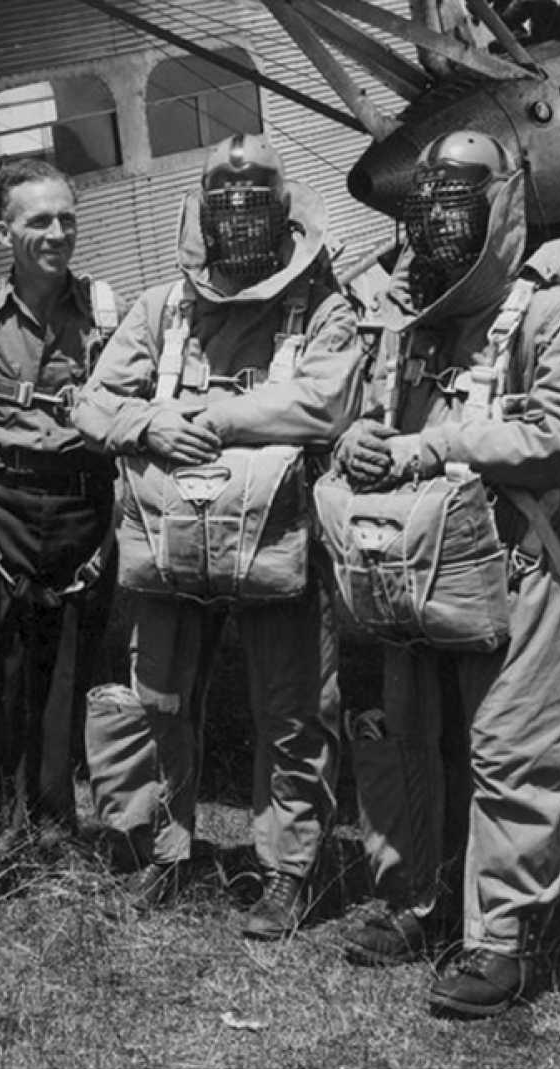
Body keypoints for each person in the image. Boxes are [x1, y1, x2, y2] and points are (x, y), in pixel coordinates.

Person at [333, 131, 560, 1018]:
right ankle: (414, 898)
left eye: (464, 196)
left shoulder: (548, 316)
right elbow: (365, 417)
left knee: (508, 748)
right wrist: (357, 441)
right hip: (415, 565)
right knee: (401, 733)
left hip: (515, 562)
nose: (442, 218)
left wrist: (440, 444)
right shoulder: (408, 315)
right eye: (430, 201)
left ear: (503, 200)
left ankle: (499, 938)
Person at [72, 133, 360, 939]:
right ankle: (162, 850)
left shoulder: (324, 306)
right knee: (157, 694)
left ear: (283, 211)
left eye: (253, 203)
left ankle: (285, 871)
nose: (236, 220)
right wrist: (149, 424)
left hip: (278, 536)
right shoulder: (163, 307)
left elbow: (323, 405)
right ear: (199, 213)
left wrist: (205, 415)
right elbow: (92, 405)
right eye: (221, 204)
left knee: (294, 706)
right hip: (171, 534)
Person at [0, 158, 121, 908]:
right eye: (37, 221)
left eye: (65, 219)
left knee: (66, 680)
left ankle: (53, 831)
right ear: (2, 231)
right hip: (2, 506)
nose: (55, 234)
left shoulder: (109, 312)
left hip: (81, 505)